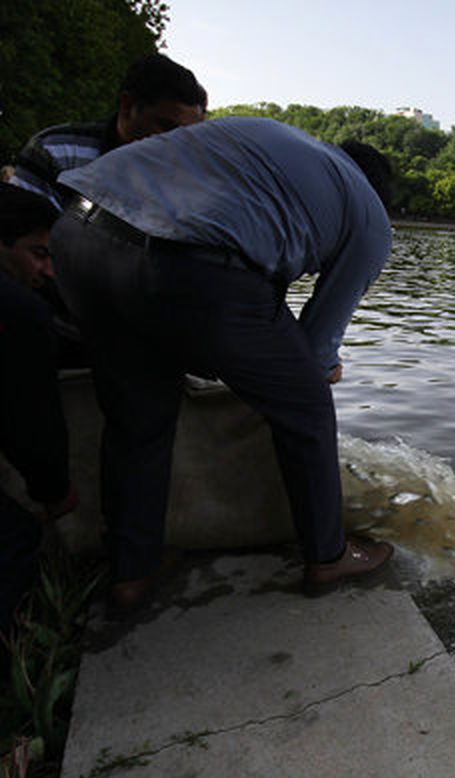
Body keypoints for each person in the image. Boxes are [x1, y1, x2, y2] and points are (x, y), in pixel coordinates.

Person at [49, 117, 395, 614]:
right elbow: (317, 347)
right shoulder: (369, 215)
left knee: (138, 418)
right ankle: (328, 554)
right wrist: (316, 368)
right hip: (184, 267)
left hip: (78, 237)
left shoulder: (271, 141)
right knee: (308, 411)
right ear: (378, 193)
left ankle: (133, 570)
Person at [0, 184, 78, 629]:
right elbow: (31, 419)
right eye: (37, 253)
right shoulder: (17, 308)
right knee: (15, 539)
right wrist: (54, 490)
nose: (48, 270)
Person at [8, 52, 207, 209]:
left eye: (188, 135)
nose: (177, 144)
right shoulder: (56, 152)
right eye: (167, 128)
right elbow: (20, 242)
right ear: (127, 105)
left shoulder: (194, 178)